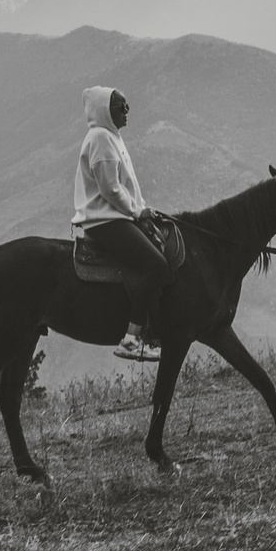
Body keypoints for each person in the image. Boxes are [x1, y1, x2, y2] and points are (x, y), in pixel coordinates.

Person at [75, 85, 169, 361]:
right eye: (121, 108)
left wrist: (141, 209)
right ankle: (132, 339)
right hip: (105, 221)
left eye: (127, 106)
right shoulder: (101, 139)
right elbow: (111, 189)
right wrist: (137, 212)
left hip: (117, 216)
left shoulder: (111, 137)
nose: (127, 112)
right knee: (156, 265)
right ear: (106, 111)